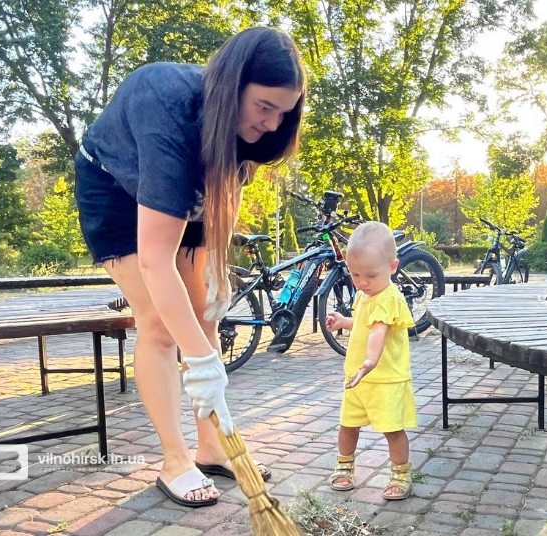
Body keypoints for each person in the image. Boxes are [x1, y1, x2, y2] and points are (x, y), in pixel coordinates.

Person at [73, 27, 305, 508]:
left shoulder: (251, 127)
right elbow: (156, 260)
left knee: (205, 317)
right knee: (159, 324)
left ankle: (213, 447)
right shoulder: (165, 104)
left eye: (284, 113)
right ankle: (175, 459)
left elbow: (227, 192)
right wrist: (199, 363)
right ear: (231, 85)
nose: (272, 123)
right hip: (116, 192)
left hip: (187, 195)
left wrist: (218, 269)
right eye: (265, 107)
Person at [323, 222, 417, 500]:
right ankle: (344, 466)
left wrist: (369, 361)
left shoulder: (390, 298)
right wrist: (344, 321)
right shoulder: (367, 294)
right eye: (355, 274)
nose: (362, 282)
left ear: (392, 266)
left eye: (370, 275)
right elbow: (365, 324)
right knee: (347, 424)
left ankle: (401, 473)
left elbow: (378, 332)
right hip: (357, 378)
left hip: (385, 378)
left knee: (392, 428)